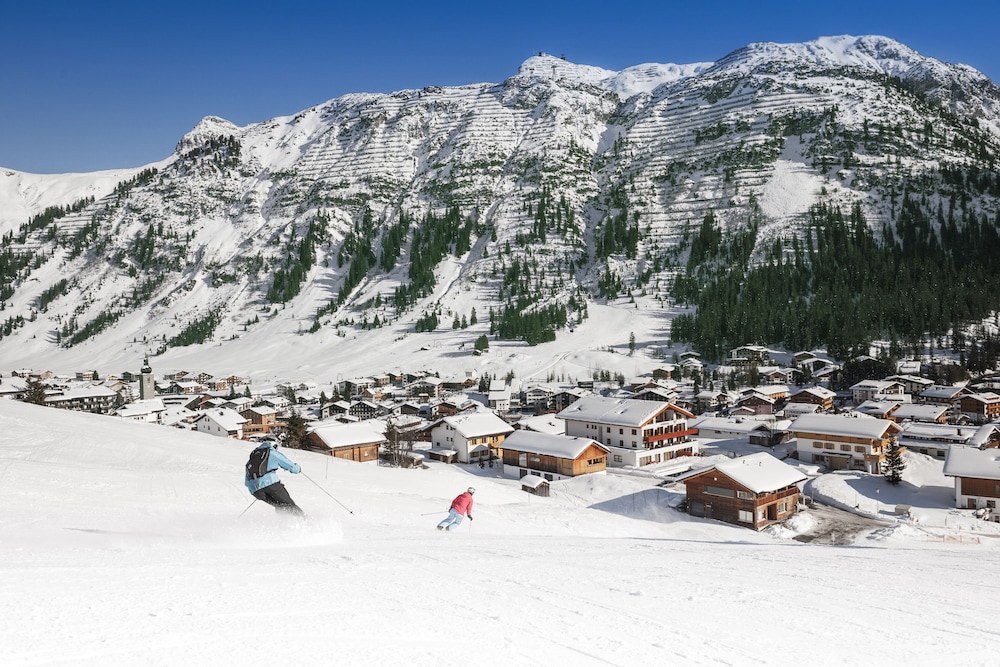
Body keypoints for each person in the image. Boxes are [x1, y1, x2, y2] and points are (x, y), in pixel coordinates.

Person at [244, 441, 304, 516]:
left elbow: (246, 482)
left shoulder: (253, 457)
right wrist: (298, 469)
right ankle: (305, 520)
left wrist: (258, 485)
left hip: (255, 491)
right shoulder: (272, 453)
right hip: (271, 485)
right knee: (289, 505)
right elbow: (293, 467)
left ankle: (284, 521)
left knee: (280, 506)